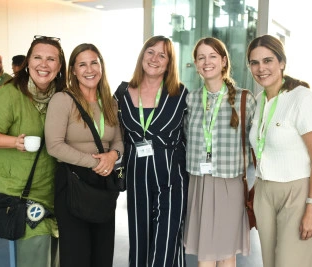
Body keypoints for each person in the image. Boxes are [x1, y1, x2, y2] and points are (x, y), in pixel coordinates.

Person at [0, 35, 67, 267]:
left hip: (58, 192)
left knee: (55, 259)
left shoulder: (63, 96)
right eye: (37, 57)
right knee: (35, 259)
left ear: (60, 66)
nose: (43, 64)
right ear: (28, 61)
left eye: (51, 59)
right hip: (23, 195)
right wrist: (13, 142)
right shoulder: (8, 94)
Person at [246, 34, 312, 267]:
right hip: (265, 192)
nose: (261, 68)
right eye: (254, 62)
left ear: (281, 62)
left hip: (299, 194)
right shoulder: (260, 100)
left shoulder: (302, 99)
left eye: (268, 60)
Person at [45, 43, 124, 267]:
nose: (89, 69)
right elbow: (54, 145)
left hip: (104, 182)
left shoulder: (110, 102)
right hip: (73, 181)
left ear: (101, 66)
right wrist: (94, 162)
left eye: (94, 63)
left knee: (103, 253)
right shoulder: (63, 100)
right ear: (73, 70)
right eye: (82, 64)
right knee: (76, 255)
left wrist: (113, 156)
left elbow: (118, 139)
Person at [114, 35, 188, 267]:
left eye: (162, 55)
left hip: (171, 178)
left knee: (167, 241)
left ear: (169, 63)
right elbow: (112, 132)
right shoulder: (123, 93)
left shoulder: (181, 95)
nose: (155, 58)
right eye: (150, 52)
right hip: (137, 179)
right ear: (142, 55)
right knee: (139, 241)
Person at [184, 37, 256, 267]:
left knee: (226, 254)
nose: (207, 62)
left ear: (224, 61)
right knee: (205, 252)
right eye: (201, 57)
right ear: (195, 64)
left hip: (229, 183)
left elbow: (258, 141)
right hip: (199, 181)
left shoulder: (245, 99)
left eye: (213, 56)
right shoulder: (191, 99)